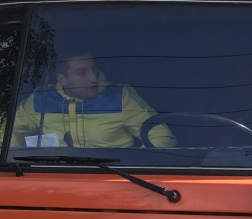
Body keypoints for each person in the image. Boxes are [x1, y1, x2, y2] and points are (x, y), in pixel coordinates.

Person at [10, 51, 175, 149]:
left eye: (93, 69)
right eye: (82, 72)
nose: (93, 78)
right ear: (62, 79)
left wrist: (133, 168)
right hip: (54, 183)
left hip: (115, 182)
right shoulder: (40, 99)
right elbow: (7, 134)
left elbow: (162, 138)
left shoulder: (120, 96)